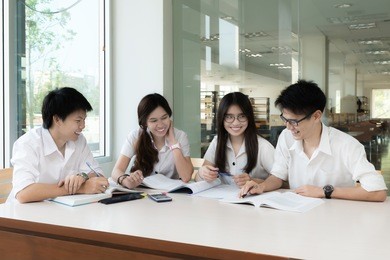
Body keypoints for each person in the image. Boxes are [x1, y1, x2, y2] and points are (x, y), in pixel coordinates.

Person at [240, 80, 387, 202]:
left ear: (316, 116)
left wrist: (326, 191)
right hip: (298, 213)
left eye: (294, 121)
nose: (288, 126)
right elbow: (278, 176)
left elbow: (378, 192)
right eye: (285, 119)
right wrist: (262, 186)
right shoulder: (286, 137)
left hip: (337, 218)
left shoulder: (346, 145)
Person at [8, 87, 108, 203]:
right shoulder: (28, 143)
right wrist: (78, 188)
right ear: (57, 119)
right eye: (78, 121)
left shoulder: (79, 141)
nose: (83, 126)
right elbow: (23, 193)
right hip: (22, 216)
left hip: (60, 212)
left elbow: (98, 174)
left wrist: (83, 177)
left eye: (84, 120)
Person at [111, 93, 193, 188]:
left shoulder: (180, 136)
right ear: (145, 122)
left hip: (172, 195)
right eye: (154, 121)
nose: (161, 125)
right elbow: (116, 171)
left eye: (164, 118)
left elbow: (186, 177)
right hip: (143, 193)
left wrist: (173, 142)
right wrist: (125, 181)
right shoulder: (135, 136)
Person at [196, 92, 274, 188]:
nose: (236, 122)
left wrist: (253, 181)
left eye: (242, 116)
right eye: (229, 117)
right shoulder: (217, 142)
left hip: (252, 201)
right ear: (222, 119)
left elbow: (283, 182)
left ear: (249, 117)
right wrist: (202, 173)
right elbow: (198, 179)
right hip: (221, 200)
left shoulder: (263, 147)